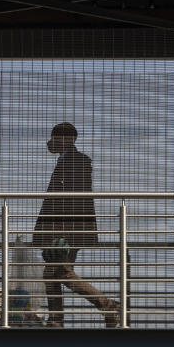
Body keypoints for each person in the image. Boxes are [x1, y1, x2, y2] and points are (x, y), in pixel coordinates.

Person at [34, 123, 119, 328]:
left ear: (66, 139)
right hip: (64, 229)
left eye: (54, 138)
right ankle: (56, 319)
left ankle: (108, 306)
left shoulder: (78, 161)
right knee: (51, 273)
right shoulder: (67, 161)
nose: (50, 143)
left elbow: (74, 200)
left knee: (62, 272)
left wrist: (60, 233)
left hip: (67, 229)